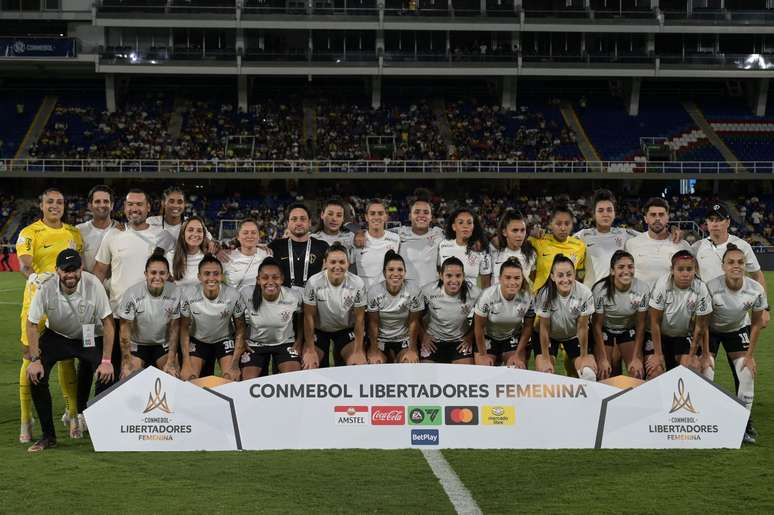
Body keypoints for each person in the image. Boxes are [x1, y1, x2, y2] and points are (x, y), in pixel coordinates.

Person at [25, 249, 114, 452]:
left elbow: (108, 323)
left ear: (81, 268)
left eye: (74, 269)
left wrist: (106, 361)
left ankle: (98, 428)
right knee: (35, 376)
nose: (70, 275)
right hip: (56, 336)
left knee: (107, 373)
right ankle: (48, 436)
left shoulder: (93, 284)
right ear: (57, 271)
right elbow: (31, 324)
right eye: (65, 270)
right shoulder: (46, 287)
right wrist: (35, 359)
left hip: (87, 335)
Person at [16, 188, 82, 443]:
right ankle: (26, 419)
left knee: (67, 359)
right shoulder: (29, 232)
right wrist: (34, 276)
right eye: (50, 202)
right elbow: (24, 262)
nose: (55, 205)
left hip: (66, 305)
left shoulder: (74, 233)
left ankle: (72, 415)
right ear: (41, 205)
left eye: (59, 202)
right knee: (29, 358)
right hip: (36, 302)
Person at [94, 189, 165, 383]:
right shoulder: (113, 235)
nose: (135, 208)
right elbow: (99, 271)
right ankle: (104, 412)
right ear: (124, 207)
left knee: (149, 376)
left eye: (139, 204)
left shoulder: (160, 236)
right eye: (130, 204)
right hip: (118, 316)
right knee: (114, 372)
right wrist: (93, 303)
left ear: (148, 207)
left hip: (152, 317)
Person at [706, 244, 768, 443]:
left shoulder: (755, 289)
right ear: (723, 266)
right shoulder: (711, 287)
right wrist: (704, 353)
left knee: (747, 373)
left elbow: (757, 323)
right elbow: (701, 323)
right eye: (731, 262)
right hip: (711, 331)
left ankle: (742, 426)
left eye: (740, 262)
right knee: (706, 371)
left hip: (738, 330)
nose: (736, 266)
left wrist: (749, 356)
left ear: (745, 266)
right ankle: (704, 423)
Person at [693, 203, 768, 327]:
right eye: (711, 220)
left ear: (727, 222)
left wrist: (764, 308)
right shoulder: (697, 247)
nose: (715, 223)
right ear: (707, 222)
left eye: (719, 220)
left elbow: (757, 275)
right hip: (707, 317)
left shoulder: (742, 246)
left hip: (739, 318)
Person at [646, 250, 713, 377]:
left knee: (692, 367)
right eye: (680, 269)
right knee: (655, 370)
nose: (685, 274)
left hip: (682, 336)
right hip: (660, 336)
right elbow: (655, 321)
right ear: (672, 270)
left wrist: (694, 354)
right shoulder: (662, 285)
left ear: (695, 270)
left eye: (689, 269)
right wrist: (658, 354)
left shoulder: (701, 287)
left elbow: (701, 326)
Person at [178, 255, 245, 381]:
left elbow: (240, 329)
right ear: (199, 276)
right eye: (207, 274)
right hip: (198, 340)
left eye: (216, 274)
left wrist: (235, 364)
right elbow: (184, 329)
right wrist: (186, 363)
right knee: (189, 378)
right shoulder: (188, 295)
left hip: (224, 339)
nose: (211, 278)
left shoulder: (233, 295)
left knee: (231, 377)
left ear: (221, 276)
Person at [117, 251, 182, 378]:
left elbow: (174, 329)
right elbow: (124, 331)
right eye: (153, 273)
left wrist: (171, 360)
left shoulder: (175, 292)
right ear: (146, 274)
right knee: (128, 377)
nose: (157, 277)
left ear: (168, 275)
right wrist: (126, 360)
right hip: (137, 344)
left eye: (162, 273)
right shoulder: (132, 294)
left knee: (173, 376)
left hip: (162, 345)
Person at [303, 243, 367, 367]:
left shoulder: (357, 283)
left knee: (357, 364)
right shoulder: (314, 282)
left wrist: (358, 351)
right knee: (309, 364)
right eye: (333, 262)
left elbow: (360, 320)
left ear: (348, 263)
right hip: (320, 331)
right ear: (325, 263)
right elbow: (308, 317)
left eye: (342, 262)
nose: (337, 266)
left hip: (345, 330)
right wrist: (310, 350)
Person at [238, 257, 303, 379]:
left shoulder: (293, 296)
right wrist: (242, 340)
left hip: (285, 343)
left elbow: (301, 318)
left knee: (293, 379)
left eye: (275, 277)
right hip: (254, 345)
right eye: (265, 277)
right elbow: (238, 319)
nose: (270, 281)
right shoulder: (245, 293)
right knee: (248, 382)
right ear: (258, 280)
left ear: (282, 279)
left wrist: (299, 341)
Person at [533, 254, 596, 381]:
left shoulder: (584, 293)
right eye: (560, 275)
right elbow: (544, 328)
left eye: (569, 274)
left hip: (574, 335)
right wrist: (545, 358)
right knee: (545, 374)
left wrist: (584, 356)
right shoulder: (544, 294)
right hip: (550, 336)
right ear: (552, 276)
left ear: (575, 274)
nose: (565, 279)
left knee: (588, 374)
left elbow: (583, 327)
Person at [591, 250, 650, 380]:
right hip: (605, 330)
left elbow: (641, 324)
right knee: (604, 372)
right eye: (621, 267)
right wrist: (602, 358)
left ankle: (633, 400)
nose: (626, 270)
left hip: (627, 329)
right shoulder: (600, 290)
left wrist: (636, 358)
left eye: (630, 266)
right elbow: (596, 326)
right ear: (612, 271)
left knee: (637, 372)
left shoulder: (643, 289)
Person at [473, 257, 534, 367]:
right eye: (508, 278)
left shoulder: (527, 297)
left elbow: (528, 327)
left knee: (517, 368)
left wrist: (517, 354)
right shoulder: (487, 296)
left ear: (522, 279)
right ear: (500, 279)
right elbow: (479, 327)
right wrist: (483, 355)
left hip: (511, 337)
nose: (512, 282)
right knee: (484, 369)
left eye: (517, 278)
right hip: (488, 337)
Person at [419, 257, 481, 364]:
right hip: (433, 341)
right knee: (427, 376)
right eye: (449, 275)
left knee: (464, 375)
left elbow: (481, 318)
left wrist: (470, 337)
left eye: (458, 276)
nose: (454, 280)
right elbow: (414, 317)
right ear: (441, 276)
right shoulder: (427, 291)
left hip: (460, 341)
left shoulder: (475, 293)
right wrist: (423, 335)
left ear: (463, 276)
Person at [365, 250, 423, 364]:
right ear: (384, 273)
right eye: (391, 270)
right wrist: (373, 349)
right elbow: (373, 323)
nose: (396, 274)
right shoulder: (374, 292)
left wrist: (412, 349)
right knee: (375, 364)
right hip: (380, 340)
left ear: (405, 272)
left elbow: (414, 321)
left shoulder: (414, 290)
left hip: (404, 340)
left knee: (409, 364)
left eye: (400, 270)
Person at [574, 190, 639, 286]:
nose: (605, 214)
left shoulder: (625, 234)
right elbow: (560, 244)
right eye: (600, 210)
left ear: (614, 213)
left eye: (609, 210)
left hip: (617, 295)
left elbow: (650, 237)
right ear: (593, 214)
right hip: (591, 294)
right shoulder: (582, 235)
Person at [625, 197, 690, 287]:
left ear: (667, 218)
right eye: (653, 215)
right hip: (639, 299)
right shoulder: (631, 244)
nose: (657, 218)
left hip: (670, 300)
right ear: (645, 219)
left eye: (661, 214)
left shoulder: (682, 245)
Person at [268, 203, 328, 296]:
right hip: (282, 303)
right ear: (287, 223)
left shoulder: (322, 247)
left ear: (309, 222)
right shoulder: (275, 246)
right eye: (294, 219)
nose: (299, 223)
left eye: (303, 219)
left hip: (314, 300)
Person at [530, 203, 586, 292]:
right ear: (550, 224)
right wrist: (530, 232)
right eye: (558, 224)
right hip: (541, 300)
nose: (563, 228)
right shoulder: (538, 240)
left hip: (567, 300)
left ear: (572, 225)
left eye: (567, 224)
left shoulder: (580, 246)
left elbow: (580, 273)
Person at [393, 191, 444, 287]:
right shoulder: (399, 234)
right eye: (417, 212)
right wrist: (360, 233)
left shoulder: (439, 235)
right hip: (406, 296)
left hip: (430, 297)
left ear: (431, 217)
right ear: (409, 216)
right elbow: (376, 233)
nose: (421, 215)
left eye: (426, 212)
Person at [437, 208, 491, 288]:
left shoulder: (481, 250)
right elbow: (439, 273)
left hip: (471, 299)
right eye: (460, 222)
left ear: (473, 227)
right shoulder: (443, 245)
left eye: (469, 223)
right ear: (454, 227)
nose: (465, 226)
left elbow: (486, 284)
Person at [354, 199, 401, 290]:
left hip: (387, 296)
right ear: (366, 217)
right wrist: (358, 231)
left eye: (380, 213)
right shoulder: (355, 239)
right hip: (363, 297)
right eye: (372, 213)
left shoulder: (396, 239)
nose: (376, 217)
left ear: (386, 216)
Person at [76, 185, 120, 274]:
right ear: (90, 206)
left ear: (112, 205)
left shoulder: (122, 230)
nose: (102, 205)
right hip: (88, 285)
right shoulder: (79, 231)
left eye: (106, 201)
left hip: (115, 286)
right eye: (97, 201)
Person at [490, 210, 536, 286]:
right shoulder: (493, 253)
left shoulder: (531, 254)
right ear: (504, 232)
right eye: (515, 230)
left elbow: (532, 282)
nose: (519, 235)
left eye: (522, 230)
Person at [224, 218, 270, 290]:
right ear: (238, 237)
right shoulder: (226, 257)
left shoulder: (268, 255)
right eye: (245, 233)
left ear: (259, 236)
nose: (250, 236)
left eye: (253, 232)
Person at [168, 216, 210, 287]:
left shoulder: (209, 258)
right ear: (183, 234)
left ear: (204, 235)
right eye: (190, 230)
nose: (195, 234)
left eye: (199, 231)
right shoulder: (169, 256)